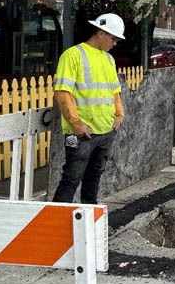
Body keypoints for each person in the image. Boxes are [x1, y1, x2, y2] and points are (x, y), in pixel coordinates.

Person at [52, 13, 126, 204]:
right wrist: (76, 123)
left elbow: (114, 92)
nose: (115, 43)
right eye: (113, 38)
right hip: (79, 133)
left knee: (94, 176)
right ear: (101, 33)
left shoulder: (109, 59)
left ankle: (89, 217)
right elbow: (62, 92)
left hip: (105, 130)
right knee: (71, 178)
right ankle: (55, 223)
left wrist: (118, 116)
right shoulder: (73, 55)